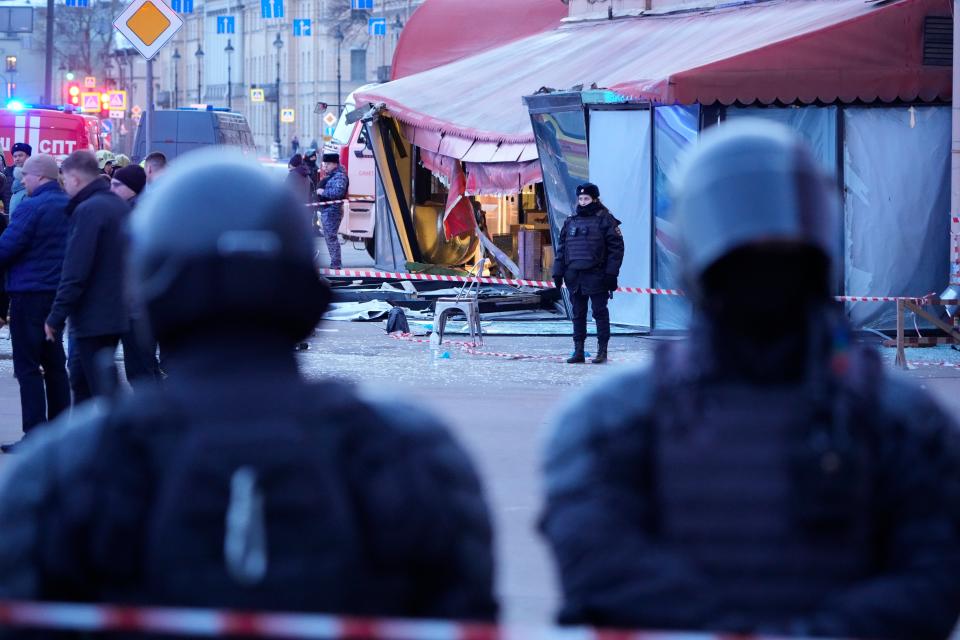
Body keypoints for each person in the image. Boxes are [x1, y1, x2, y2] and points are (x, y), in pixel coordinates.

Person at [0, 150, 498, 623]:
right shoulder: (406, 453)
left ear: (149, 285)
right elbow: (463, 612)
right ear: (305, 287)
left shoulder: (70, 467)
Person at [540, 121, 960, 640]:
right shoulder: (615, 418)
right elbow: (599, 561)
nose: (762, 259)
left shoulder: (901, 421)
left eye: (778, 245)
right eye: (745, 248)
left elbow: (935, 575)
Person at [45, 150, 130, 403]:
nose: (64, 184)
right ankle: (90, 439)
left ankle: (118, 438)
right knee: (85, 382)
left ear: (76, 179)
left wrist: (56, 316)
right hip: (113, 309)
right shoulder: (116, 205)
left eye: (65, 178)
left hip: (94, 313)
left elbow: (76, 268)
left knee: (99, 388)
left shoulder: (89, 210)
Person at [0, 154, 71, 448]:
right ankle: (60, 430)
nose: (22, 180)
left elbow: (6, 248)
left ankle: (35, 436)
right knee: (54, 364)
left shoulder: (32, 207)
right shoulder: (69, 204)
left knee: (27, 366)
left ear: (40, 176)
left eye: (25, 175)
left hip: (29, 295)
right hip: (57, 295)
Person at [551, 183, 623, 364]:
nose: (583, 202)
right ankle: (579, 351)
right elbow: (562, 249)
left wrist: (611, 274)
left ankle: (602, 351)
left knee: (599, 312)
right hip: (574, 276)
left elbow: (617, 249)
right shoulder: (571, 221)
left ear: (595, 199)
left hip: (597, 275)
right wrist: (557, 273)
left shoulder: (605, 219)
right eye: (581, 199)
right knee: (578, 314)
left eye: (587, 199)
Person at [110, 163, 161, 386]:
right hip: (137, 300)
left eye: (116, 185)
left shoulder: (134, 213)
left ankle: (155, 415)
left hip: (136, 301)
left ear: (131, 187)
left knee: (140, 367)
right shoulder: (137, 209)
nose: (111, 189)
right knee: (144, 365)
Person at [316, 152, 349, 269]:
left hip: (333, 211)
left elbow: (338, 193)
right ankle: (335, 263)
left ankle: (336, 264)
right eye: (325, 164)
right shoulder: (332, 175)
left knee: (331, 237)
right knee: (329, 237)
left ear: (335, 164)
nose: (326, 166)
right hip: (328, 210)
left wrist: (322, 192)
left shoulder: (340, 176)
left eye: (328, 164)